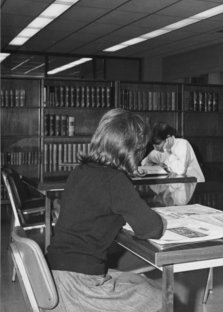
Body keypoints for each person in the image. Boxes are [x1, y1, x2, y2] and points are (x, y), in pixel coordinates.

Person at [46, 109, 166, 312]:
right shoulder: (114, 180)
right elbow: (151, 228)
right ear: (133, 150)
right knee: (162, 299)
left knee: (144, 282)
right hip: (78, 286)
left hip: (53, 275)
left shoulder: (80, 171)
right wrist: (161, 218)